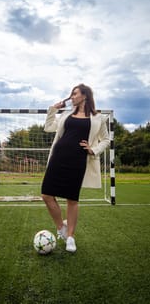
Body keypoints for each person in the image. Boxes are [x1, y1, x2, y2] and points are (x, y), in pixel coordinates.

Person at [41, 83, 110, 253]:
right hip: (58, 157)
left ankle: (70, 237)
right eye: (71, 94)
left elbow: (106, 140)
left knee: (72, 199)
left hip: (78, 160)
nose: (72, 97)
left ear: (85, 96)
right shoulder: (66, 114)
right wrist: (52, 110)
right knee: (46, 194)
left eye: (75, 94)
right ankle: (61, 229)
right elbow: (49, 127)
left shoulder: (98, 118)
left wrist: (93, 149)